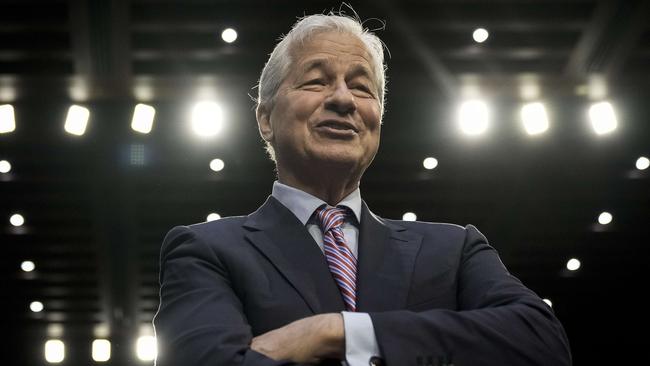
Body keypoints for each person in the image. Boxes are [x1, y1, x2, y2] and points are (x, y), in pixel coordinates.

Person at [153, 12, 572, 366]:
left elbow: (542, 342)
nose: (343, 99)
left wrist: (339, 331)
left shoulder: (454, 248)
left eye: (361, 86)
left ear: (377, 118)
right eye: (316, 81)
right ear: (265, 119)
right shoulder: (204, 250)